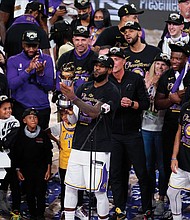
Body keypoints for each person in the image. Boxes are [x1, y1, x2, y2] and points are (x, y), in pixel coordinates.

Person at [59, 54, 120, 220]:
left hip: (99, 147)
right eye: (95, 65)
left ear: (109, 69)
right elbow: (75, 119)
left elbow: (94, 113)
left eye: (101, 66)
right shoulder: (83, 87)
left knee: (99, 191)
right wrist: (70, 115)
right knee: (71, 187)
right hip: (79, 144)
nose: (97, 68)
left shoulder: (112, 91)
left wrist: (73, 98)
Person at [107, 47, 152, 220]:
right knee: (116, 173)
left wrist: (132, 103)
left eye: (117, 59)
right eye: (111, 59)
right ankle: (120, 207)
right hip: (114, 134)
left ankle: (147, 207)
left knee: (142, 172)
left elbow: (145, 104)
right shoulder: (106, 80)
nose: (114, 62)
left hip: (133, 133)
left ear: (124, 61)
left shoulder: (135, 79)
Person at [155, 42, 190, 214]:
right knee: (165, 165)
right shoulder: (166, 76)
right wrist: (173, 99)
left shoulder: (189, 75)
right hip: (169, 126)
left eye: (178, 58)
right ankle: (164, 200)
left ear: (186, 59)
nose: (174, 61)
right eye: (172, 57)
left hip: (187, 129)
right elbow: (158, 103)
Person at [142, 53, 171, 216]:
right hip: (146, 128)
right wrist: (148, 85)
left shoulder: (169, 83)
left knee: (162, 167)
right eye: (158, 64)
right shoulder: (144, 81)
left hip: (162, 130)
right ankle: (149, 198)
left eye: (164, 65)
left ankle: (161, 199)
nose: (160, 67)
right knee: (147, 167)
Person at [7, 30, 54, 129]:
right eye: (28, 46)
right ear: (22, 44)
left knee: (41, 141)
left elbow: (49, 86)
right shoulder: (13, 60)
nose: (31, 49)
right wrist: (28, 70)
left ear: (38, 45)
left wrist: (40, 74)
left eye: (34, 46)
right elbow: (11, 85)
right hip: (21, 107)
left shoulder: (47, 59)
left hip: (42, 107)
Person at [13, 108, 53, 219]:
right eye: (30, 118)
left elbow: (48, 153)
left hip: (41, 169)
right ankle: (33, 214)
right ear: (24, 120)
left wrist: (48, 169)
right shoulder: (20, 135)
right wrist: (18, 170)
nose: (33, 120)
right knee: (29, 194)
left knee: (40, 194)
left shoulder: (43, 134)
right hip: (26, 170)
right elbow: (16, 154)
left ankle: (40, 215)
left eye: (35, 117)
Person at [167, 100, 190, 220]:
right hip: (182, 161)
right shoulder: (186, 106)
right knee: (172, 192)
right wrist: (174, 157)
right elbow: (179, 132)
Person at [56, 25, 98, 92]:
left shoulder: (96, 59)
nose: (80, 43)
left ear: (89, 41)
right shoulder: (65, 58)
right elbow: (58, 84)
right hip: (66, 96)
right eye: (77, 40)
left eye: (83, 40)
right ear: (73, 40)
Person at [0, 95, 20, 216]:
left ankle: (16, 208)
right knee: (1, 185)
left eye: (9, 108)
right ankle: (3, 207)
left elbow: (8, 143)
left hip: (11, 159)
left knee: (14, 184)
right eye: (5, 109)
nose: (8, 111)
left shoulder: (14, 122)